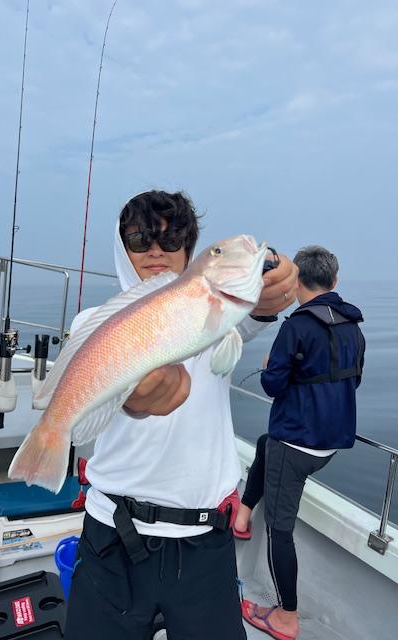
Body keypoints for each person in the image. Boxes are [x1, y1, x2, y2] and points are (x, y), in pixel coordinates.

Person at [64, 190, 298, 640]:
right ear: (122, 248)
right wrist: (132, 399)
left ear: (190, 249)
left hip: (205, 542)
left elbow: (263, 301)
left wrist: (274, 274)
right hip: (113, 535)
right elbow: (121, 396)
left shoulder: (220, 309)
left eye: (172, 239)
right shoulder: (93, 324)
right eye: (140, 239)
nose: (156, 250)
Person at [234, 245, 365, 640]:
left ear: (296, 283)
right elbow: (353, 380)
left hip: (295, 443)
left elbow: (273, 386)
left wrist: (268, 369)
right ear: (335, 280)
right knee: (264, 442)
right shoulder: (353, 325)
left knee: (279, 530)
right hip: (331, 443)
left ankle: (286, 616)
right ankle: (243, 514)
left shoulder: (296, 327)